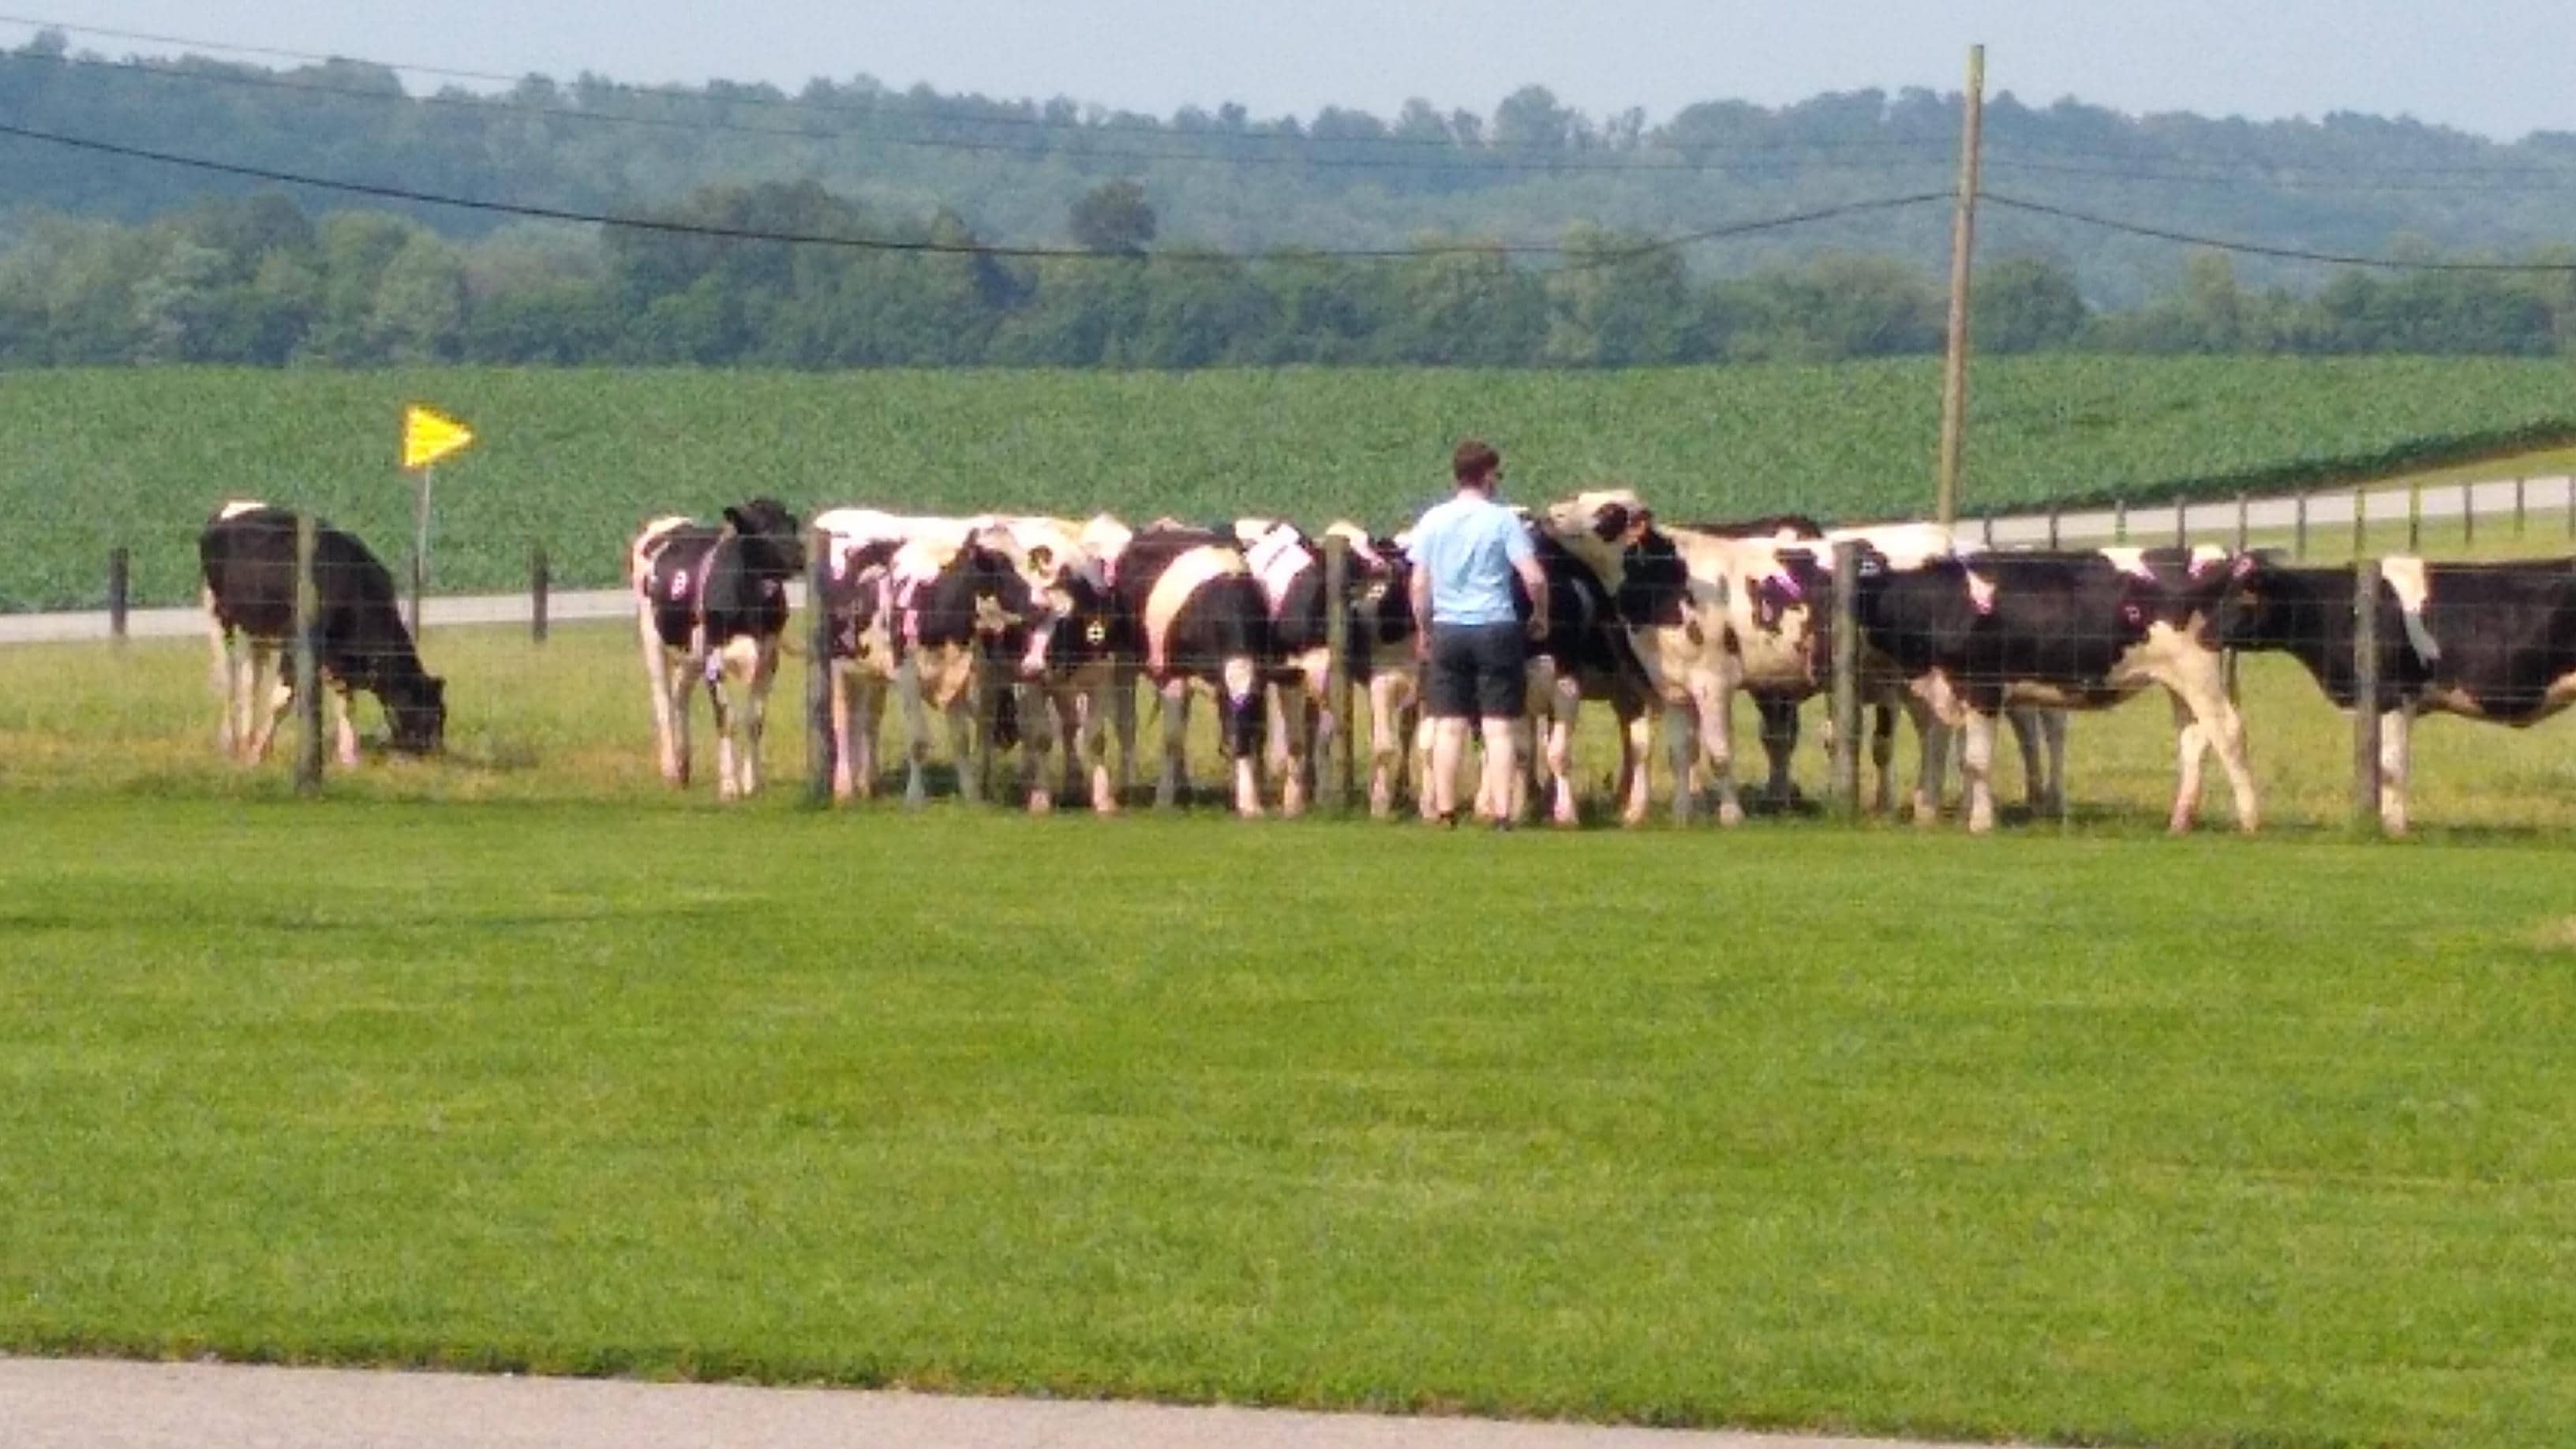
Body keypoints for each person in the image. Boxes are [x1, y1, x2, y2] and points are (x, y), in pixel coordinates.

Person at [1407, 439, 1548, 827]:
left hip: (1449, 628)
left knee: (1449, 724)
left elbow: (1419, 584)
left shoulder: (1433, 520)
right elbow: (1533, 577)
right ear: (1486, 476)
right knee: (1499, 726)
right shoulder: (1503, 520)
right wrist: (1540, 614)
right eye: (1497, 474)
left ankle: (1447, 809)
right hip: (1496, 626)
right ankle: (1503, 813)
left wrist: (1423, 628)